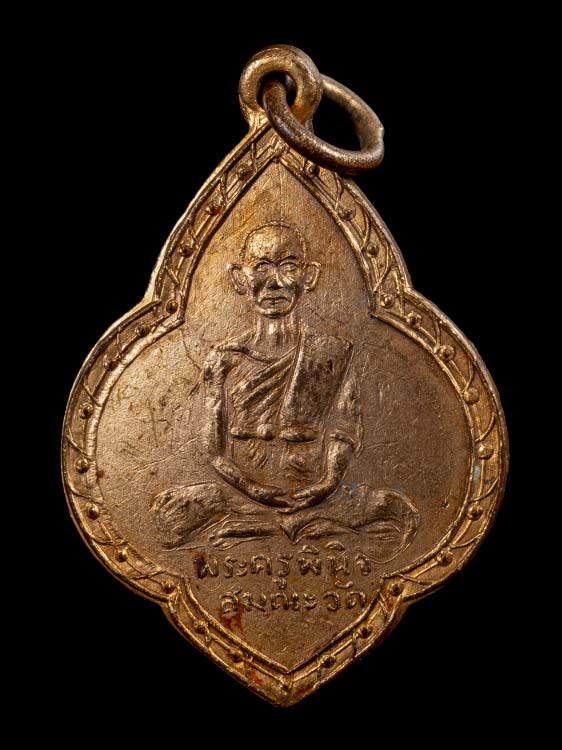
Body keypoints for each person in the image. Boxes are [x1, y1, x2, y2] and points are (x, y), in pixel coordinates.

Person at [153, 221, 418, 551]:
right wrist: (250, 488)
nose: (274, 282)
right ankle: (285, 528)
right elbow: (215, 452)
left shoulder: (330, 353)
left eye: (288, 267)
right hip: (241, 497)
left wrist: (328, 483)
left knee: (397, 514)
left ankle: (282, 527)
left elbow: (344, 429)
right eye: (261, 267)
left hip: (317, 497)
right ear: (240, 278)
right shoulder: (225, 359)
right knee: (169, 518)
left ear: (309, 276)